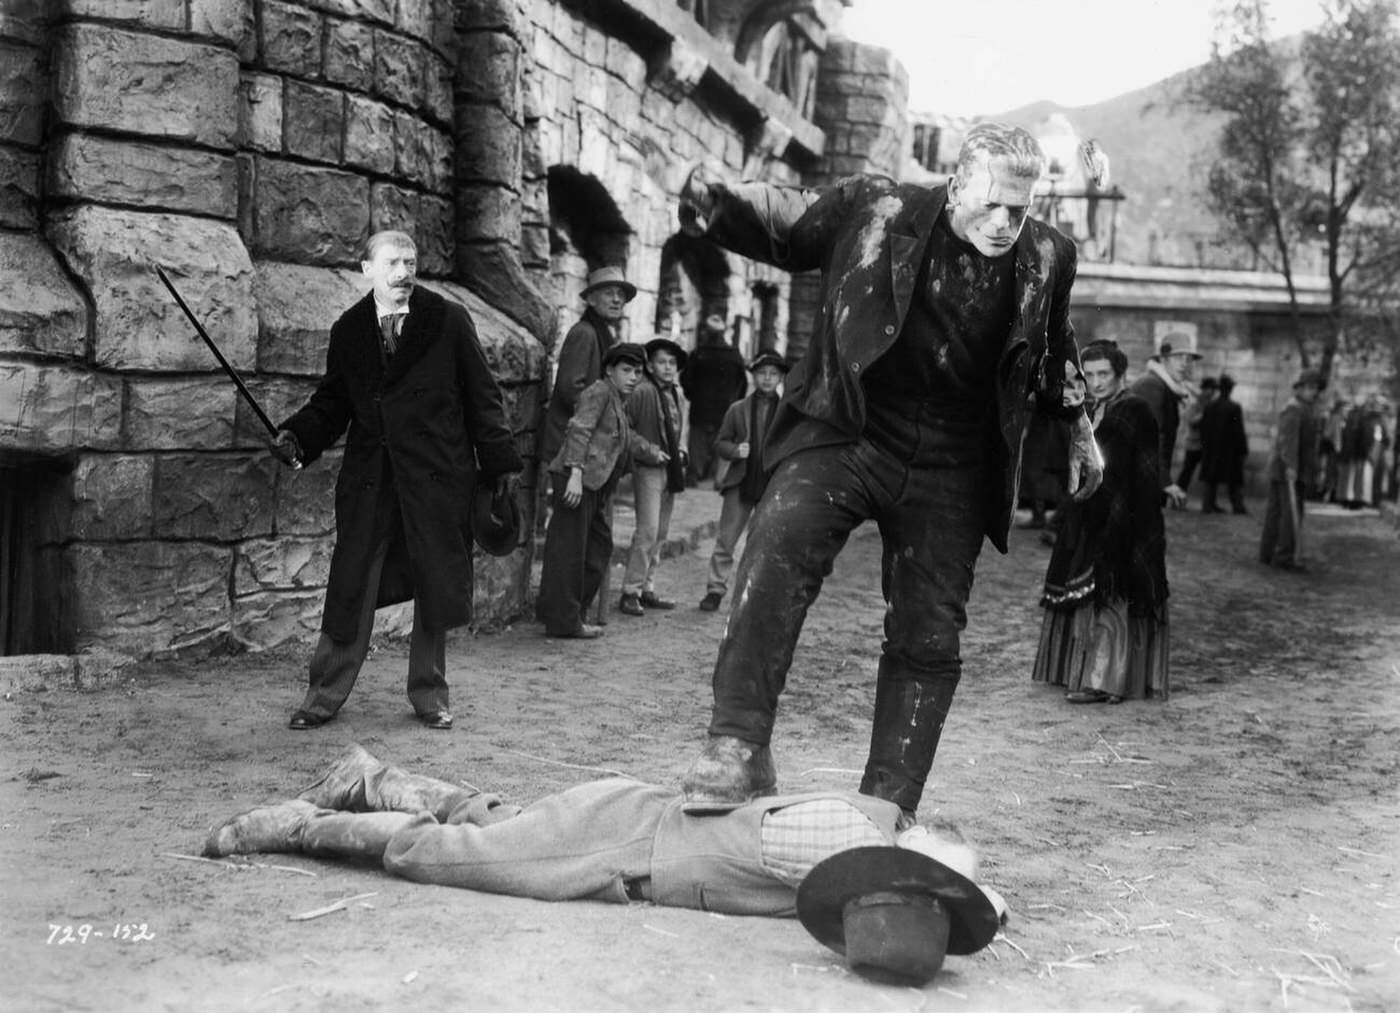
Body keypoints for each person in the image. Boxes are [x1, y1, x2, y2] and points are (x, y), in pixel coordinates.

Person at [674, 122, 1103, 821]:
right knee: (777, 545)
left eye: (1018, 211)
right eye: (990, 204)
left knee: (930, 630)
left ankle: (888, 806)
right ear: (957, 183)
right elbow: (791, 220)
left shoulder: (1049, 256)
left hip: (956, 459)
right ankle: (737, 746)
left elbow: (1054, 349)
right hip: (851, 426)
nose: (1003, 224)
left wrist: (1080, 428)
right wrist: (714, 199)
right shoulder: (880, 209)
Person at [203, 744, 1004, 985]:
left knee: (503, 822)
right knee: (453, 856)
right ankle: (306, 824)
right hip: (630, 840)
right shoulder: (840, 836)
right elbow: (836, 872)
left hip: (630, 829)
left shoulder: (870, 830)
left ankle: (368, 775)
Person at [269, 231, 522, 732]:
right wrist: (298, 436)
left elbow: (483, 397)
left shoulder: (447, 320)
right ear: (367, 269)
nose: (404, 272)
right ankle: (323, 695)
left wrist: (500, 464)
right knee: (351, 586)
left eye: (411, 261)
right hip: (372, 482)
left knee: (435, 585)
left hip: (437, 479)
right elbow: (332, 403)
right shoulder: (349, 330)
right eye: (392, 263)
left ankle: (430, 696)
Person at [1031, 340, 1169, 703]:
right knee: (1089, 595)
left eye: (1103, 373)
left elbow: (1131, 472)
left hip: (1125, 514)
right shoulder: (1096, 408)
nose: (1096, 381)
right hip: (1092, 511)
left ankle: (1106, 681)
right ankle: (1087, 673)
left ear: (1120, 373)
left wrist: (1115, 519)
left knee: (1112, 592)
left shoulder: (1133, 408)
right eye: (1089, 375)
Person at [537, 343, 665, 638]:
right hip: (577, 479)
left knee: (598, 548)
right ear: (610, 370)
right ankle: (564, 622)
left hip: (593, 484)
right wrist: (575, 474)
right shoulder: (599, 391)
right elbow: (579, 429)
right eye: (626, 370)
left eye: (638, 372)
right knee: (570, 551)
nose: (633, 377)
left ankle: (566, 613)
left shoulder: (617, 398)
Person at [700, 351, 788, 612]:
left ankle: (751, 597)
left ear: (781, 377)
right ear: (753, 376)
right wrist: (734, 450)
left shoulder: (786, 412)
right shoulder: (738, 409)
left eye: (773, 374)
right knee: (726, 540)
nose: (767, 379)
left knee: (761, 543)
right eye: (762, 373)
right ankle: (714, 591)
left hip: (770, 486)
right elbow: (720, 442)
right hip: (740, 482)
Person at [619, 338, 689, 616]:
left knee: (661, 531)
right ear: (649, 365)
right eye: (662, 362)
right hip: (649, 468)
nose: (668, 367)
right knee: (647, 530)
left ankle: (647, 587)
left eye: (672, 363)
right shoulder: (642, 392)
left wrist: (682, 450)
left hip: (671, 469)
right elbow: (625, 427)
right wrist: (649, 451)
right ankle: (630, 591)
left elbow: (682, 428)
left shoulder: (677, 394)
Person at [538, 267, 635, 468]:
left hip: (589, 444)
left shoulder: (606, 334)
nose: (617, 300)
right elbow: (569, 389)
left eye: (621, 295)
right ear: (591, 299)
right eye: (609, 293)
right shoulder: (584, 333)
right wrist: (605, 419)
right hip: (570, 446)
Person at [1128, 330, 1201, 509]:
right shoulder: (1152, 386)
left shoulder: (1167, 388)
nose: (1184, 364)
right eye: (1178, 357)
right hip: (1136, 477)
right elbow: (1150, 438)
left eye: (1188, 358)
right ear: (1163, 360)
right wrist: (1164, 481)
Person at [1260, 369, 1324, 570]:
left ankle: (1268, 553)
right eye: (1311, 388)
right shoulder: (1294, 409)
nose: (1314, 393)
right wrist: (1291, 467)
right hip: (1288, 470)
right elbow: (1288, 442)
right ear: (1301, 388)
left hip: (1289, 468)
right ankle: (1284, 556)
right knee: (1289, 513)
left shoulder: (1303, 408)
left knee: (1278, 511)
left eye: (1316, 389)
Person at [681, 315, 750, 485]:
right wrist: (735, 401)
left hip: (701, 405)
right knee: (722, 438)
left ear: (707, 331)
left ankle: (694, 475)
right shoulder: (734, 355)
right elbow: (743, 382)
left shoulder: (699, 353)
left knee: (698, 441)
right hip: (725, 406)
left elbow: (686, 379)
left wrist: (693, 395)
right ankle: (718, 478)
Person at [1199, 374, 1249, 514]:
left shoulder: (1210, 406)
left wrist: (1205, 445)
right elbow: (1239, 431)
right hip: (1229, 450)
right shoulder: (1234, 407)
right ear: (1230, 389)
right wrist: (1242, 450)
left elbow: (1203, 428)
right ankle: (1238, 506)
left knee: (1211, 477)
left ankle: (1208, 504)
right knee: (1234, 479)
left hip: (1212, 448)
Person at [1175, 375, 1218, 503]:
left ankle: (1209, 503)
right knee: (1186, 472)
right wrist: (1204, 415)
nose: (1212, 392)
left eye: (1214, 390)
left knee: (1210, 474)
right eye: (1211, 389)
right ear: (1204, 389)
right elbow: (1191, 421)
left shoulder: (1211, 404)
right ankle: (1177, 500)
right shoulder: (1195, 404)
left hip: (1207, 444)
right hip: (1193, 444)